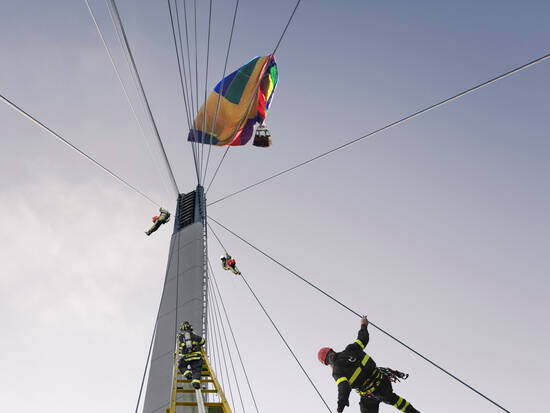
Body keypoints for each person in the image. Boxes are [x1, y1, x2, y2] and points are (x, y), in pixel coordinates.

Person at [318, 316, 420, 413]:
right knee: (392, 399)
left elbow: (343, 387)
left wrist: (340, 407)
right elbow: (363, 339)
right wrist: (364, 325)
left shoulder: (337, 371)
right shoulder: (350, 349)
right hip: (382, 380)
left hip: (370, 394)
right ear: (333, 351)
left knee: (387, 399)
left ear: (327, 363)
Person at [177, 321, 205, 390]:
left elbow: (181, 342)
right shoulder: (195, 336)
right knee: (196, 370)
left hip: (187, 357)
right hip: (197, 357)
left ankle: (188, 374)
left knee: (181, 366)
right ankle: (196, 383)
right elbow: (202, 341)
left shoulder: (181, 336)